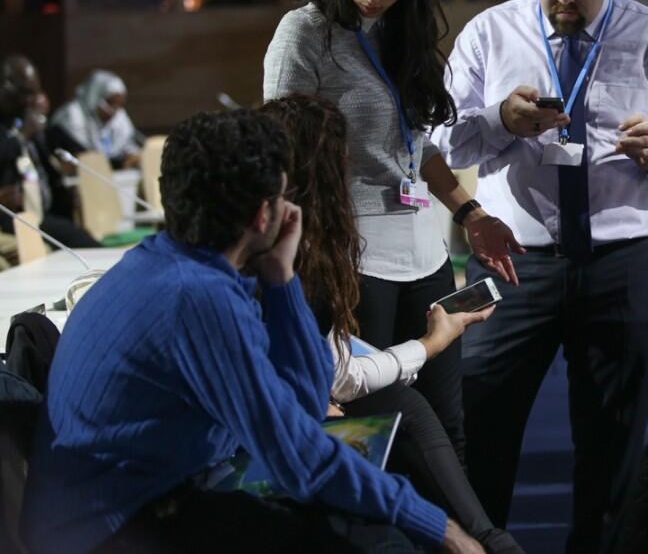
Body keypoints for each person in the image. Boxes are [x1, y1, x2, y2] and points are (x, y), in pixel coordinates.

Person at [19, 110, 483, 554]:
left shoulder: (172, 264)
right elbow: (298, 457)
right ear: (265, 216)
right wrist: (440, 527)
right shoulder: (199, 298)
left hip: (128, 502)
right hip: (111, 529)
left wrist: (280, 279)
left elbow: (307, 401)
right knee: (381, 541)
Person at [431, 0, 648, 552]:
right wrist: (501, 121)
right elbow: (442, 145)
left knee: (613, 446)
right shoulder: (489, 34)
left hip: (623, 261)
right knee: (479, 427)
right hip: (513, 264)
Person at [263, 0, 522, 460]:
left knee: (447, 427)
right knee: (378, 430)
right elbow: (284, 151)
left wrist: (471, 214)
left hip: (426, 255)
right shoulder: (303, 34)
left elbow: (418, 148)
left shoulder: (402, 31)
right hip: (350, 260)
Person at [261, 93, 524, 553]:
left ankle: (481, 538)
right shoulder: (273, 258)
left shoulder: (300, 247)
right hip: (231, 452)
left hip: (288, 414)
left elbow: (333, 371)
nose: (353, 170)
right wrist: (430, 344)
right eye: (341, 159)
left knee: (405, 406)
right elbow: (338, 381)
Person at [0, 56, 99, 249]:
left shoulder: (34, 124)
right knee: (80, 243)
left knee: (84, 241)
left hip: (47, 213)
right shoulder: (11, 128)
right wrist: (23, 135)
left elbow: (70, 148)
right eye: (27, 93)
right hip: (19, 216)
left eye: (36, 92)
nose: (32, 100)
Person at [49, 69, 143, 169]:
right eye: (110, 103)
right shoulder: (71, 116)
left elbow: (128, 146)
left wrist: (131, 156)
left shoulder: (120, 118)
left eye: (119, 105)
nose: (114, 111)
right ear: (94, 96)